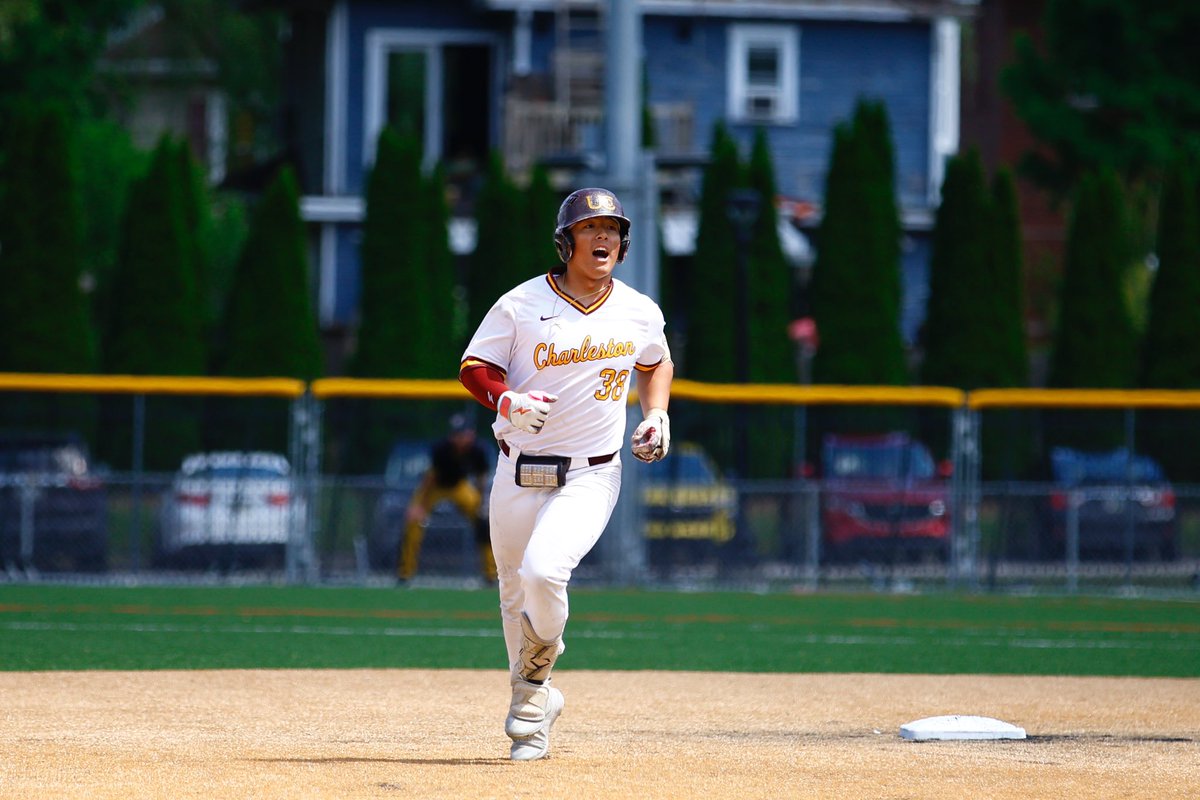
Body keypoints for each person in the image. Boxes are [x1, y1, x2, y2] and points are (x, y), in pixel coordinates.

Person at [458, 187, 673, 761]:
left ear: (623, 243)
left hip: (591, 473)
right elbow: (475, 367)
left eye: (612, 229)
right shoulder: (521, 303)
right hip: (517, 469)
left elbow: (656, 362)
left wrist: (656, 412)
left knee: (544, 571)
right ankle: (537, 701)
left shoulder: (638, 309)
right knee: (512, 590)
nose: (603, 237)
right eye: (590, 228)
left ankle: (528, 704)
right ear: (566, 240)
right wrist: (505, 402)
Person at [397, 413, 498, 584]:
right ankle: (405, 573)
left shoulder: (477, 450)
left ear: (470, 434)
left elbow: (481, 477)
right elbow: (430, 478)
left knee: (484, 524)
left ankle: (491, 574)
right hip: (435, 487)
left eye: (462, 434)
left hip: (459, 486)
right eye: (455, 434)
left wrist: (481, 503)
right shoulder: (442, 449)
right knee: (414, 521)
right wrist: (421, 505)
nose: (458, 438)